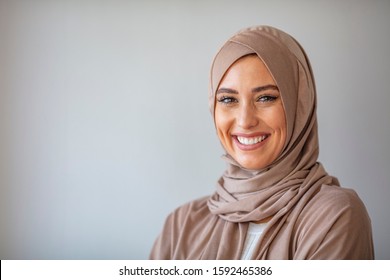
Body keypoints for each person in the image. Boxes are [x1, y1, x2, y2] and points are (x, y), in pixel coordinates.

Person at [149, 25, 374, 259]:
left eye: (266, 98)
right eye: (228, 99)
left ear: (299, 105)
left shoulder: (333, 216)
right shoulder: (181, 225)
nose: (245, 121)